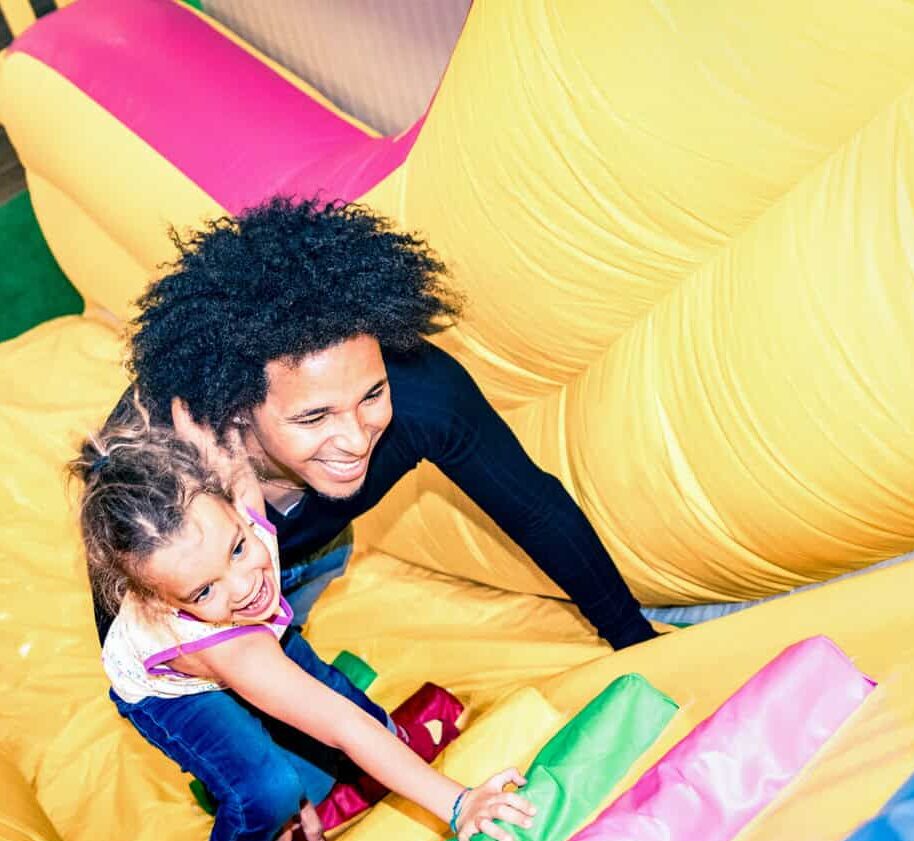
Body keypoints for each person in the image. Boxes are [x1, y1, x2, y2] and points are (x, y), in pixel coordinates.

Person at [71, 400, 535, 841]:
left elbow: (232, 472)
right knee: (269, 787)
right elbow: (337, 725)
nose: (243, 585)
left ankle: (363, 770)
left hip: (254, 634)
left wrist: (213, 443)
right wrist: (458, 804)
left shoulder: (230, 514)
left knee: (354, 720)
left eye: (239, 549)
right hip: (178, 691)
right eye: (203, 591)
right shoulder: (232, 641)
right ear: (153, 600)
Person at [123, 195, 658, 650]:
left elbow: (537, 511)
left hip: (312, 550)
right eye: (314, 416)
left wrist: (633, 638)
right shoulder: (160, 470)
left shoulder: (424, 395)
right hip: (193, 590)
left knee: (291, 646)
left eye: (372, 394)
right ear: (239, 408)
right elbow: (133, 626)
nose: (357, 439)